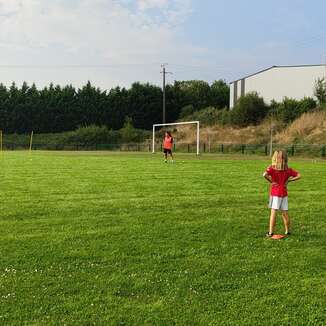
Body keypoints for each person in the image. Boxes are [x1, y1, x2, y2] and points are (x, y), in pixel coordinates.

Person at [263, 150, 301, 237]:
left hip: (275, 193)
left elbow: (264, 174)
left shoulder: (272, 168)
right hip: (284, 193)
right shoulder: (288, 170)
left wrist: (271, 181)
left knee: (273, 212)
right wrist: (289, 180)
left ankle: (270, 233)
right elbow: (299, 175)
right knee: (285, 212)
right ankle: (287, 231)